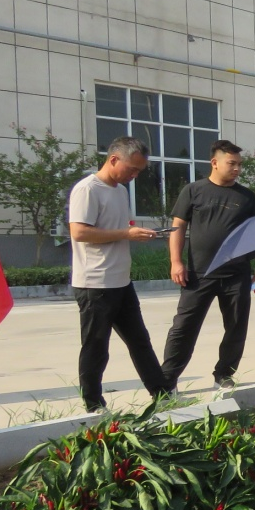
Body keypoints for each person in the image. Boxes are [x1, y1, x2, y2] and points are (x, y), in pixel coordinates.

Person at [67, 136, 169, 412]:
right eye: (132, 169)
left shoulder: (121, 191)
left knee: (140, 341)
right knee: (96, 346)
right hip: (95, 283)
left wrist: (134, 234)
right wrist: (126, 233)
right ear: (113, 159)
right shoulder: (87, 189)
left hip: (121, 281)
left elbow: (116, 230)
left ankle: (162, 395)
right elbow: (79, 232)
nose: (134, 176)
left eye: (139, 171)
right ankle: (93, 405)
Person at [160, 139, 255, 393]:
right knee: (183, 327)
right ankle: (167, 380)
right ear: (214, 162)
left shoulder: (246, 197)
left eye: (239, 164)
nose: (237, 169)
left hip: (236, 274)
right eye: (232, 163)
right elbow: (178, 227)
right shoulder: (193, 191)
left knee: (236, 327)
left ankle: (224, 375)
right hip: (198, 274)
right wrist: (176, 261)